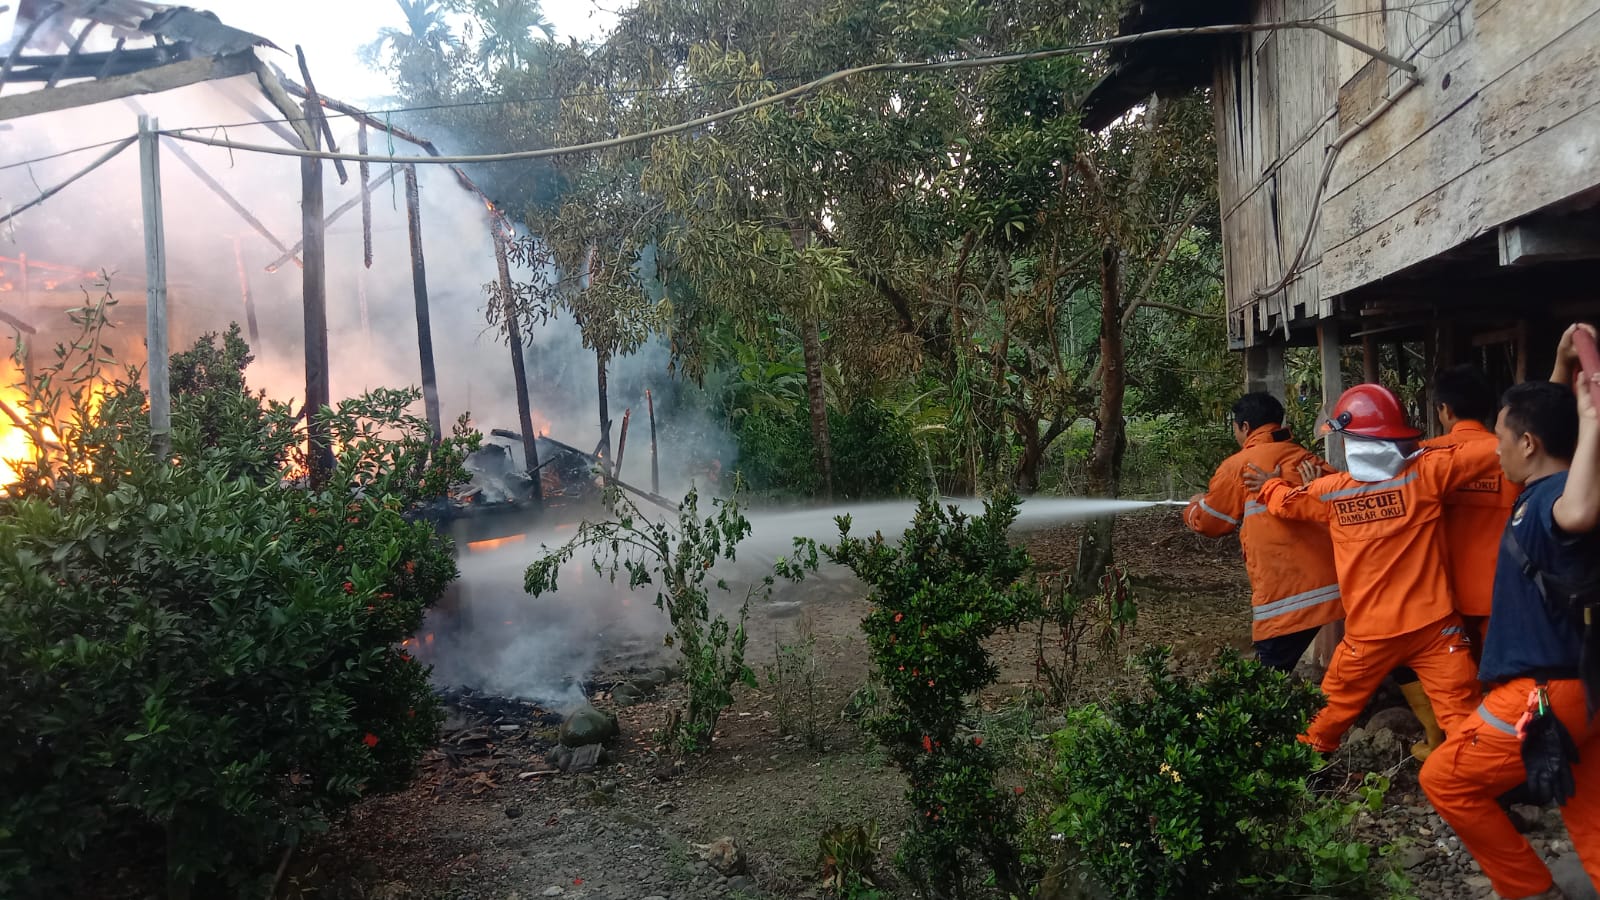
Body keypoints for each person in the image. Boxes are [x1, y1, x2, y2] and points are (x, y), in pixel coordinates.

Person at [1420, 325, 1600, 900]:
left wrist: (1593, 416)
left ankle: (1529, 890)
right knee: (1590, 813)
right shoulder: (1542, 486)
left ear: (1526, 444)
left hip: (1539, 696)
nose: (1495, 449)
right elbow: (1545, 425)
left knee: (1445, 780)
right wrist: (1561, 366)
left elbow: (1577, 509)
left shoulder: (1554, 502)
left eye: (1502, 438)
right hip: (1586, 689)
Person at [1243, 383, 1498, 752]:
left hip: (1368, 638)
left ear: (1350, 441)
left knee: (1328, 716)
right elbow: (1492, 449)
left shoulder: (1332, 492)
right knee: (1464, 721)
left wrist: (1269, 486)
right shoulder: (1425, 474)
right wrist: (1433, 446)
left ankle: (1304, 766)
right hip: (1435, 630)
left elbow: (1287, 502)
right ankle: (1474, 771)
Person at [1391, 366, 1523, 761]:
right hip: (1504, 590)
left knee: (1446, 679)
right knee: (1503, 679)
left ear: (1444, 410)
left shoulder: (1422, 457)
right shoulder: (1512, 454)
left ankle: (1440, 743)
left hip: (1441, 594)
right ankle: (1503, 755)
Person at [1183, 392, 1343, 671]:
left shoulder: (1238, 467)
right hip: (1334, 590)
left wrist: (1194, 507)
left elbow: (1210, 523)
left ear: (1245, 427)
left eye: (1235, 428)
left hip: (1286, 596)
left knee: (1267, 676)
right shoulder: (1307, 460)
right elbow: (1344, 502)